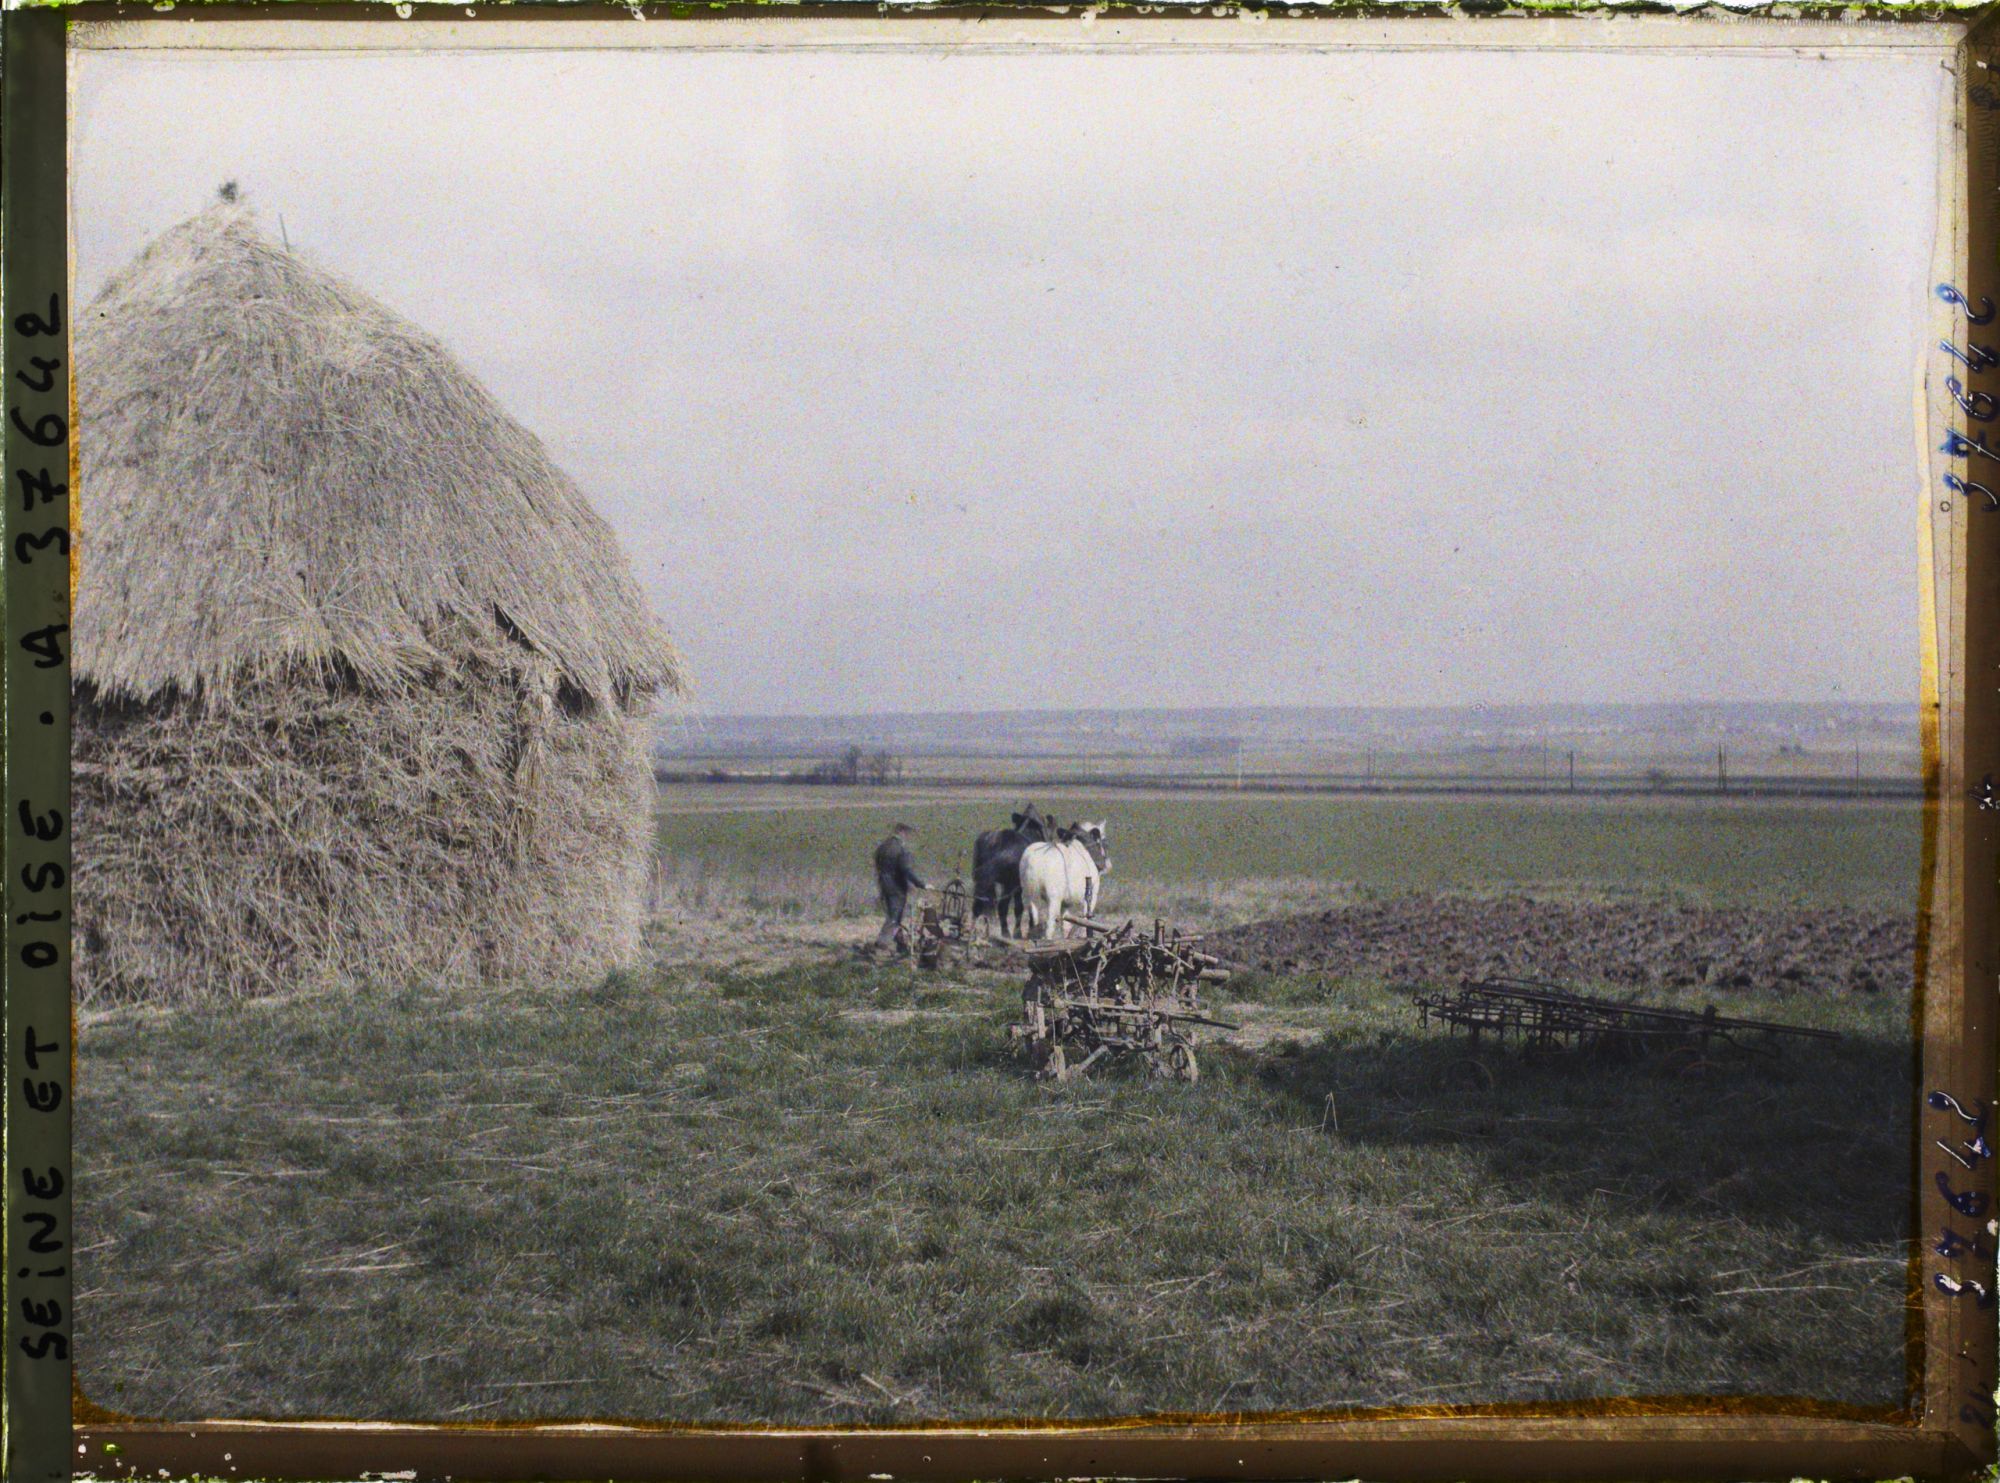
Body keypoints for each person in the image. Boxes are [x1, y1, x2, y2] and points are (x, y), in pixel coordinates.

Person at [871, 823, 929, 955]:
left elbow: (879, 866)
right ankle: (882, 944)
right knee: (895, 916)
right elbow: (906, 870)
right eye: (907, 834)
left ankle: (900, 943)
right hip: (896, 887)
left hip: (883, 884)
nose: (908, 837)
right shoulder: (901, 850)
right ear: (902, 832)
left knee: (893, 913)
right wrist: (921, 884)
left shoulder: (882, 847)